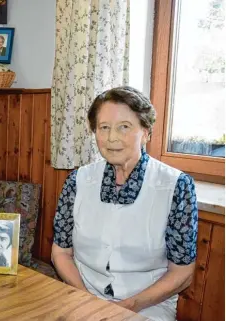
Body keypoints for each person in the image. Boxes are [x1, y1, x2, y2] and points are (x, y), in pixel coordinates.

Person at [51, 86, 198, 321]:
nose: (112, 138)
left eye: (124, 127)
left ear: (146, 132)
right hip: (83, 295)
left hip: (147, 306)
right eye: (104, 128)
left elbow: (182, 273)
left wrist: (127, 306)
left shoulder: (176, 186)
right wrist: (86, 298)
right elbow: (61, 253)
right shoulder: (77, 181)